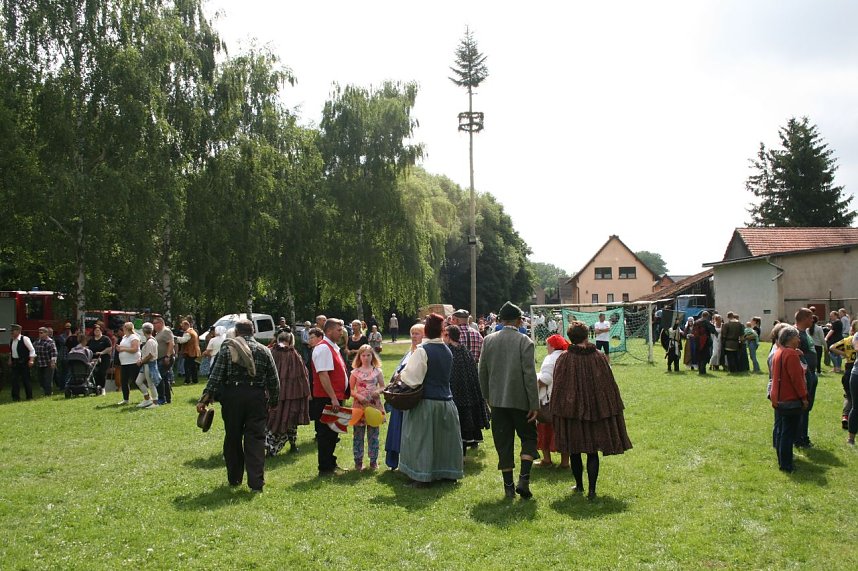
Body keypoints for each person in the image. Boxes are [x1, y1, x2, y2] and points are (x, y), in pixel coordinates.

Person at [551, 321, 632, 499]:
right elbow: (608, 384)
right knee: (591, 450)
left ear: (570, 337)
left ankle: (580, 486)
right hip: (594, 411)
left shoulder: (565, 358)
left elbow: (558, 386)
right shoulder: (598, 356)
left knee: (575, 449)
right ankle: (591, 490)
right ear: (587, 335)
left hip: (572, 411)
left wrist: (558, 407)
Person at [196, 319, 279, 492]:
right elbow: (274, 380)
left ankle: (234, 479)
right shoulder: (264, 350)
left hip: (232, 398)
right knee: (256, 439)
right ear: (253, 331)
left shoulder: (227, 349)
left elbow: (216, 376)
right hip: (256, 397)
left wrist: (204, 399)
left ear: (236, 332)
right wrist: (274, 401)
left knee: (233, 437)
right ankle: (256, 484)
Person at [478, 301, 539, 499]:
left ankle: (508, 488)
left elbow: (482, 372)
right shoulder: (525, 341)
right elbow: (529, 376)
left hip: (497, 401)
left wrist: (487, 396)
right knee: (529, 438)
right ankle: (524, 479)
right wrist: (534, 404)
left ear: (501, 320)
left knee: (503, 443)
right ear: (520, 320)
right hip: (521, 401)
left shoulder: (488, 340)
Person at [398, 313, 463, 486]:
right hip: (446, 402)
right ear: (442, 332)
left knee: (421, 441)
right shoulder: (447, 350)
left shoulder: (422, 351)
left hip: (426, 403)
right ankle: (448, 474)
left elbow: (412, 379)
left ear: (426, 330)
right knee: (445, 442)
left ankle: (421, 476)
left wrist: (400, 376)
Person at [444, 325, 491, 456]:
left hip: (458, 394)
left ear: (449, 336)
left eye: (445, 335)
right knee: (464, 425)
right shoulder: (465, 350)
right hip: (468, 394)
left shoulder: (451, 351)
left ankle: (460, 454)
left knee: (461, 425)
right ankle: (461, 453)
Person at [310, 318, 349, 475]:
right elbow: (323, 375)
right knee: (326, 434)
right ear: (329, 331)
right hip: (326, 398)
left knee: (333, 432)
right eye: (339, 330)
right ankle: (325, 468)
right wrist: (333, 397)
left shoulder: (332, 347)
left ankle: (330, 463)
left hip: (334, 396)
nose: (341, 333)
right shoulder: (324, 348)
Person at [384, 323, 424, 470]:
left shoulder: (422, 353)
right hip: (400, 396)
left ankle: (407, 462)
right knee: (396, 428)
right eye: (412, 333)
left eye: (417, 333)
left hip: (411, 397)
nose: (414, 336)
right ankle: (394, 461)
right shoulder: (409, 352)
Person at [769, 326, 809, 473]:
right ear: (790, 338)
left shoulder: (778, 352)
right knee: (788, 433)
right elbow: (796, 379)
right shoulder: (790, 354)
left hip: (778, 397)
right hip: (789, 398)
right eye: (797, 337)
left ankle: (782, 460)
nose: (799, 340)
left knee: (781, 431)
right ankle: (786, 464)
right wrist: (803, 397)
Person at [265, 331, 310, 456]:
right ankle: (292, 445)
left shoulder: (271, 352)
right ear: (291, 341)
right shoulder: (293, 354)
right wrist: (306, 393)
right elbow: (303, 375)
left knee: (274, 418)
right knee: (290, 419)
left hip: (274, 393)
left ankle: (271, 448)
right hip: (292, 394)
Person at [349, 344, 385, 470]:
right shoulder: (355, 372)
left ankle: (373, 461)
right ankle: (358, 461)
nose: (365, 358)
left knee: (373, 434)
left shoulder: (377, 371)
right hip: (359, 406)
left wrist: (378, 391)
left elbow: (383, 386)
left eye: (368, 355)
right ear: (359, 356)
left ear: (372, 356)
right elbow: (350, 390)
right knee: (358, 434)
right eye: (363, 355)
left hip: (374, 405)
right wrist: (358, 396)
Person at [536, 334, 570, 468]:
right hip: (567, 399)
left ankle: (547, 460)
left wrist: (534, 383)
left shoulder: (550, 358)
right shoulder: (568, 356)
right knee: (563, 430)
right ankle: (565, 462)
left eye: (547, 345)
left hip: (551, 400)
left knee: (546, 428)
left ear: (552, 346)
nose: (546, 348)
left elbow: (546, 379)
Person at [794, 308, 818, 448]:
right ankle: (800, 438)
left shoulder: (805, 333)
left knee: (807, 408)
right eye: (810, 318)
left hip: (811, 374)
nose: (812, 320)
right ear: (803, 318)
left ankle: (803, 436)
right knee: (803, 406)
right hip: (805, 375)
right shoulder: (796, 334)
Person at [829, 320, 857, 432]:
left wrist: (844, 354)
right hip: (857, 368)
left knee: (848, 396)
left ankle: (845, 416)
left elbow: (832, 347)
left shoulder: (847, 340)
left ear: (852, 329)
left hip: (849, 368)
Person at [134, 322, 160, 408]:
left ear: (144, 331)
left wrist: (141, 361)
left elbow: (150, 355)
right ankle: (147, 399)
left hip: (149, 364)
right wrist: (141, 360)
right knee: (138, 381)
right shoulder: (149, 340)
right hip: (145, 364)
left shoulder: (150, 341)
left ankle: (155, 402)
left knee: (150, 384)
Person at [7, 324, 35, 401]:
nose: (11, 332)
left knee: (26, 380)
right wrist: (10, 359)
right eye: (11, 331)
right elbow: (11, 351)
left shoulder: (24, 339)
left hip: (24, 362)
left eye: (13, 331)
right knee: (14, 380)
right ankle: (15, 397)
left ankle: (29, 397)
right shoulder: (12, 340)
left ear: (19, 331)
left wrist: (31, 360)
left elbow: (32, 350)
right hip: (15, 362)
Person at [115, 322, 141, 405]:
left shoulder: (134, 337)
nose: (122, 328)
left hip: (133, 362)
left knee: (136, 381)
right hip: (124, 363)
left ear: (126, 328)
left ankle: (147, 396)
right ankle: (125, 399)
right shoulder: (124, 337)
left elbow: (135, 349)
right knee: (124, 381)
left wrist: (122, 349)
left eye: (124, 327)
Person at [153, 317, 174, 404]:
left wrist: (168, 356)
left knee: (159, 378)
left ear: (161, 323)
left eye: (155, 323)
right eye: (153, 323)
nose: (154, 325)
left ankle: (161, 398)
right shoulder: (159, 333)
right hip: (161, 358)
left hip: (165, 358)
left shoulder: (166, 331)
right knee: (164, 379)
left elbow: (171, 343)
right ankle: (167, 398)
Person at [87, 324, 112, 394]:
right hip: (94, 359)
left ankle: (103, 388)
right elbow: (87, 347)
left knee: (102, 372)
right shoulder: (91, 340)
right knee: (95, 373)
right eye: (95, 330)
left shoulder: (105, 339)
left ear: (101, 331)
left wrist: (102, 352)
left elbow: (109, 348)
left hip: (104, 358)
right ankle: (96, 388)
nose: (97, 332)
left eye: (98, 330)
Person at [33, 327, 58, 396]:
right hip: (40, 363)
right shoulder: (37, 341)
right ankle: (45, 390)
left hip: (48, 364)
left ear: (46, 333)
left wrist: (53, 362)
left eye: (41, 333)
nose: (40, 334)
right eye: (39, 333)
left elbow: (54, 353)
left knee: (48, 380)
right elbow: (33, 350)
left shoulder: (50, 342)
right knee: (41, 379)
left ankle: (48, 393)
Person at [176, 320, 201, 384]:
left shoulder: (188, 332)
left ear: (186, 325)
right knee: (193, 367)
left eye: (183, 326)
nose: (182, 327)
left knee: (187, 367)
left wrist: (175, 338)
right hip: (195, 351)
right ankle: (195, 380)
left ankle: (187, 380)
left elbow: (183, 340)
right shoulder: (194, 331)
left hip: (190, 352)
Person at [692, 311, 717, 375]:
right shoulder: (706, 322)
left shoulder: (696, 322)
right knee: (705, 356)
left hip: (697, 341)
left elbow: (693, 331)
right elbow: (713, 330)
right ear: (707, 316)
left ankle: (700, 370)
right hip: (704, 341)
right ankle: (702, 370)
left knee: (699, 355)